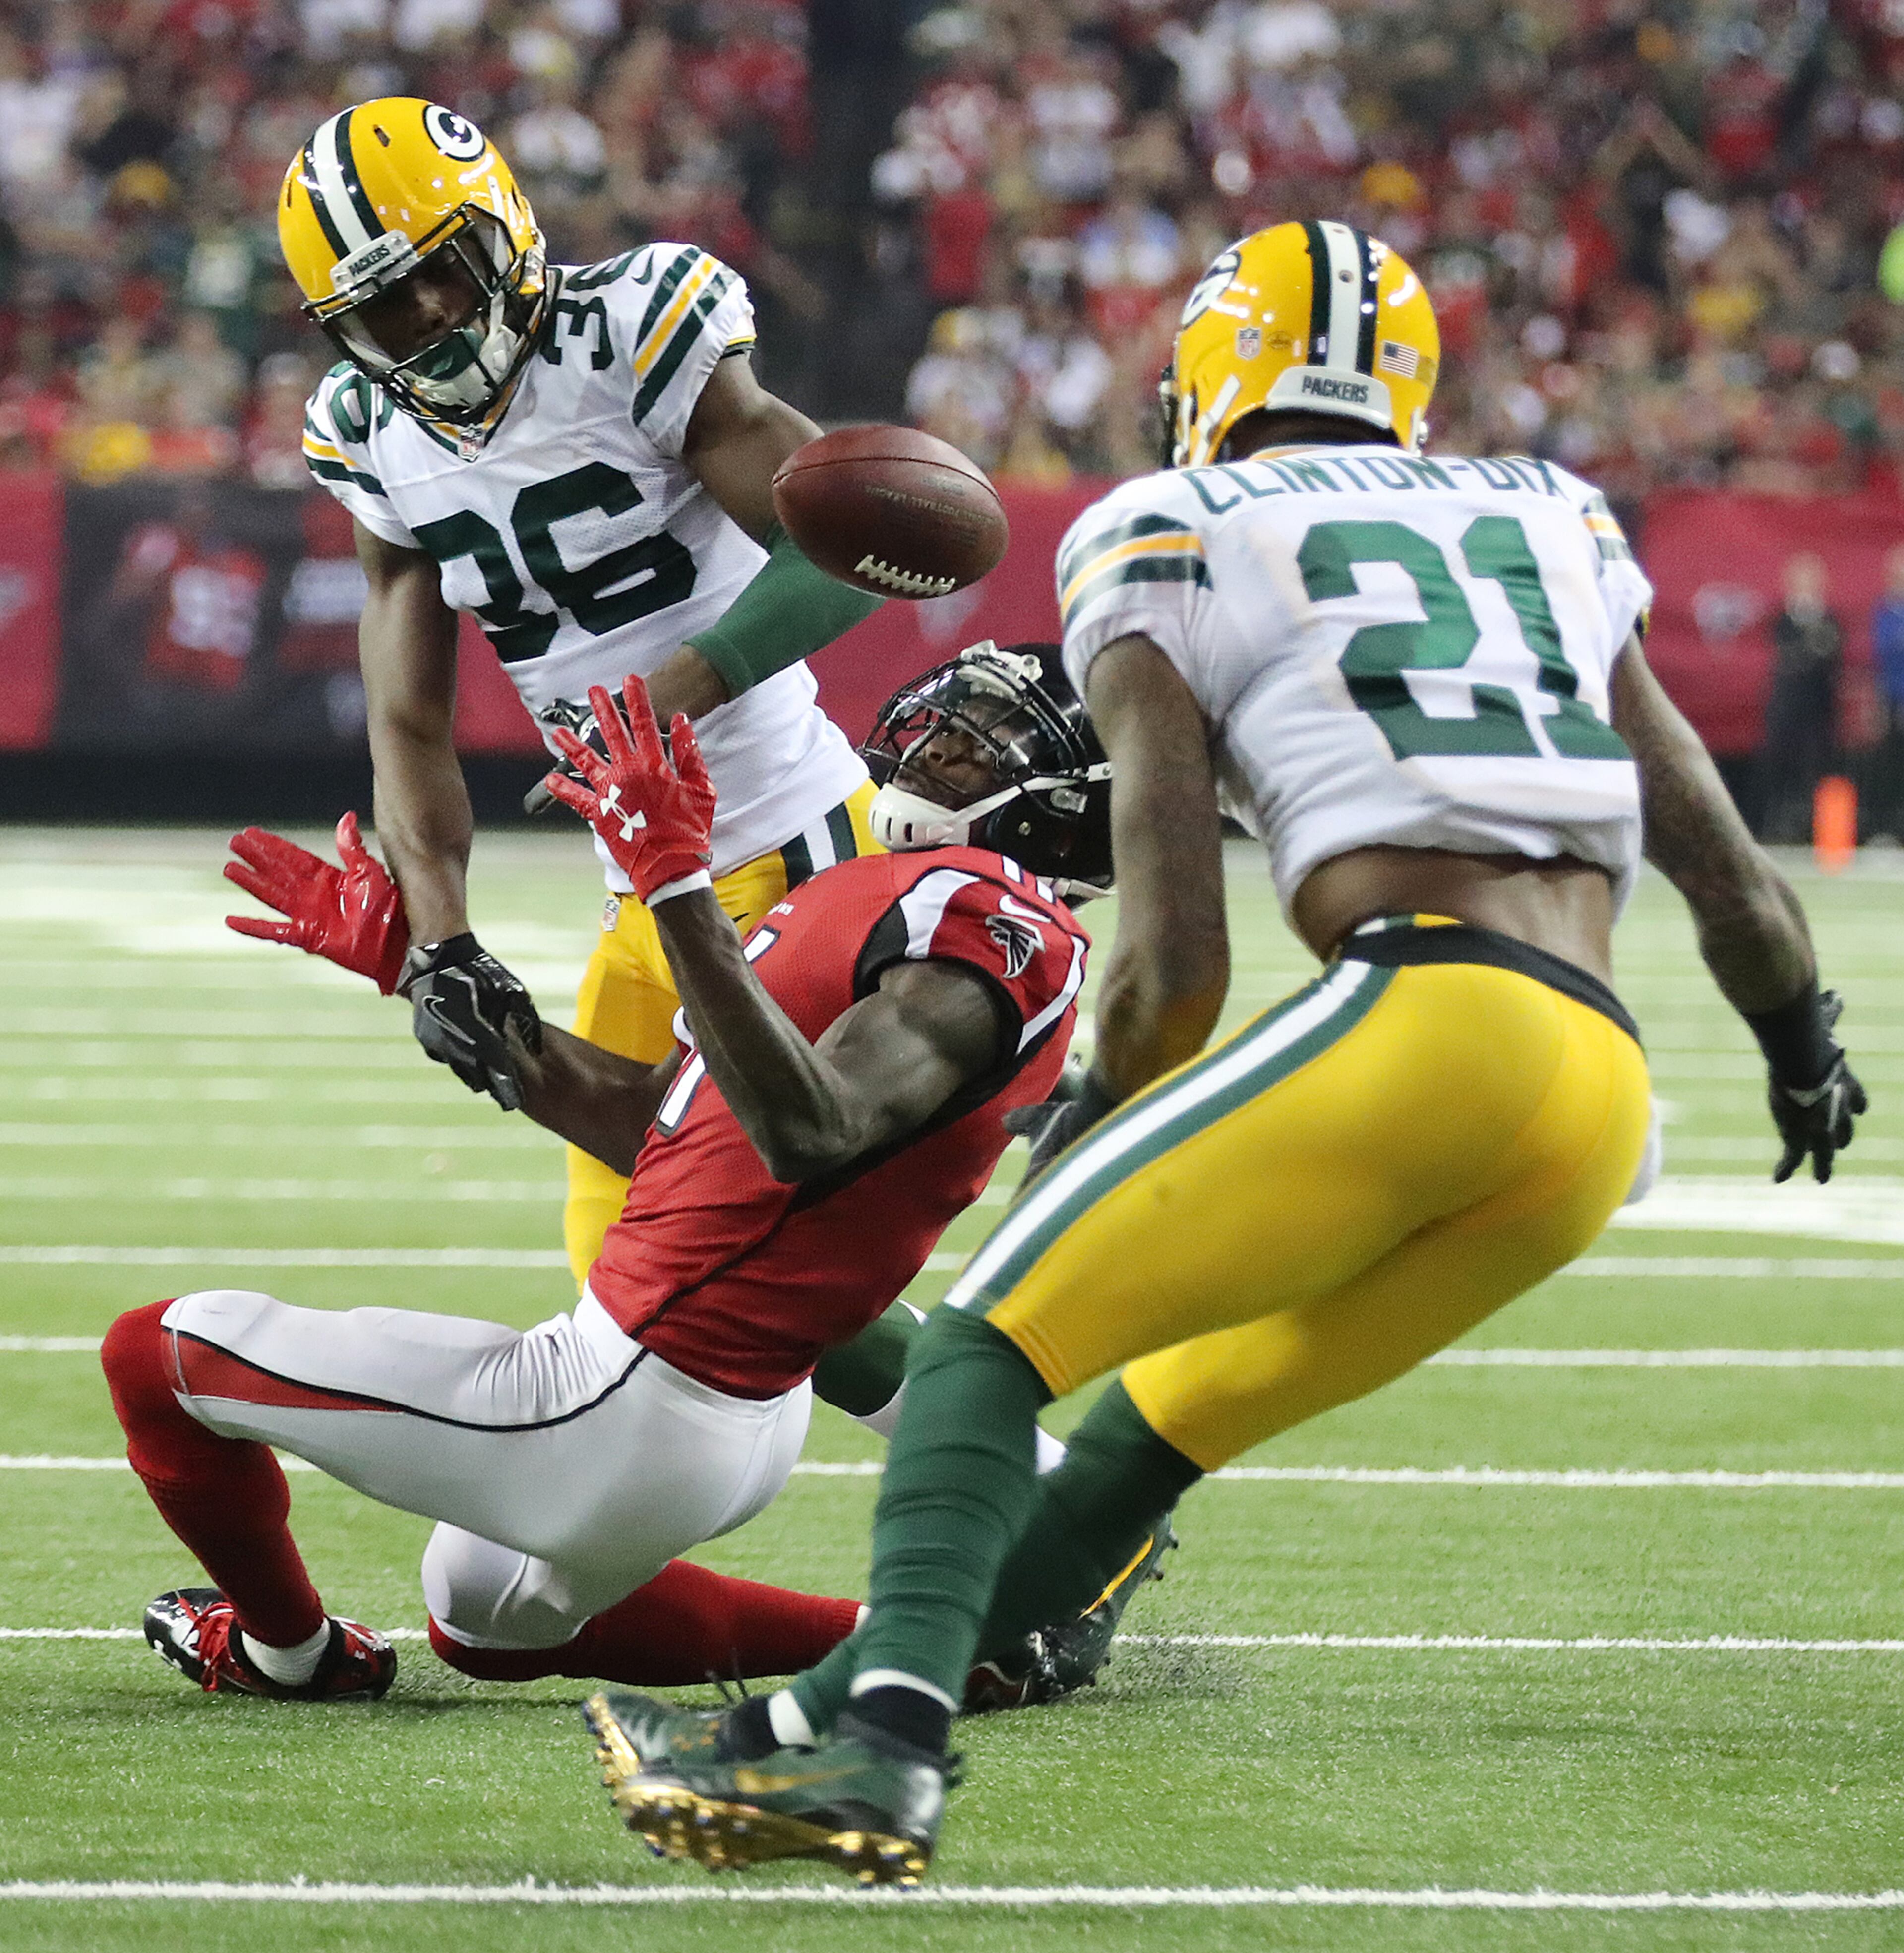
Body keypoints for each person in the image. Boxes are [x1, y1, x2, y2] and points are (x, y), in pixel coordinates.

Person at [593, 220, 1869, 1886]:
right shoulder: (1553, 509)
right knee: (1150, 1431)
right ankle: (825, 1708)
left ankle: (885, 1752)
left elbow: (1176, 962)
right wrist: (1796, 1047)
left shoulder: (1165, 521)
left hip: (1430, 1011)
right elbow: (1729, 867)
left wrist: (1094, 1114)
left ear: (1213, 370)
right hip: (1595, 1096)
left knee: (984, 1345)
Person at [103, 646, 1152, 1709]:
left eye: (977, 748)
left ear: (1068, 811)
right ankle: (933, 1644)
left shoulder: (987, 920)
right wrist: (413, 967)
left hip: (623, 1401)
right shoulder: (898, 897)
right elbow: (668, 1119)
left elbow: (812, 1130)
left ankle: (287, 1654)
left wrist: (677, 876)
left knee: (154, 1355)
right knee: (485, 1620)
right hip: (724, 1407)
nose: (929, 747)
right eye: (941, 720)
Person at [280, 97, 886, 1288]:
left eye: (437, 274)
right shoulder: (366, 428)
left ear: (498, 230)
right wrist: (441, 938)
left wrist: (672, 692)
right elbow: (406, 714)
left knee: (759, 1258)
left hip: (794, 847)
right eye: (380, 310)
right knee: (627, 1262)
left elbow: (844, 543)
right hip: (645, 889)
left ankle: (1017, 1458)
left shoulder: (628, 329)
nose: (428, 320)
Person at [1759, 553, 1844, 844]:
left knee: (1815, 769)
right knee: (1780, 768)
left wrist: (1810, 653)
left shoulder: (1830, 618)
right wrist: (1811, 650)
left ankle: (1813, 828)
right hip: (1786, 710)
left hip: (1818, 710)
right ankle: (1776, 826)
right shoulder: (1782, 619)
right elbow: (1791, 658)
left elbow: (1829, 658)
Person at [1866, 545, 1904, 841]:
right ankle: (1888, 828)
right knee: (1890, 764)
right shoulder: (1884, 610)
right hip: (1892, 698)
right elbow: (1886, 650)